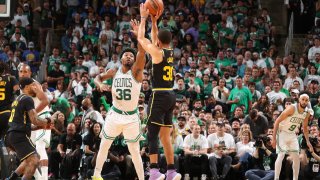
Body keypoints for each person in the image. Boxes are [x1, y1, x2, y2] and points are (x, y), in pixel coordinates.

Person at [92, 19, 145, 180]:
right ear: (121, 59)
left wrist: (139, 37)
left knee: (134, 150)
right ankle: (96, 174)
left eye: (131, 56)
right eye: (126, 55)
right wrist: (100, 84)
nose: (129, 57)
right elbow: (97, 78)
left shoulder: (136, 72)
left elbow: (141, 53)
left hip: (131, 116)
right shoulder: (114, 71)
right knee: (104, 144)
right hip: (115, 113)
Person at [137, 3, 181, 180]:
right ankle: (171, 171)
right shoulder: (169, 50)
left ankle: (154, 171)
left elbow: (142, 38)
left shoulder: (156, 52)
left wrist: (143, 18)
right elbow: (155, 39)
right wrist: (154, 22)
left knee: (152, 133)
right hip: (171, 95)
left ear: (159, 42)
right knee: (165, 136)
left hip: (160, 94)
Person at [5, 77, 55, 180]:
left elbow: (29, 124)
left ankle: (11, 178)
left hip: (13, 135)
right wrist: (48, 121)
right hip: (19, 135)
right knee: (35, 159)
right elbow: (35, 119)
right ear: (28, 87)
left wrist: (41, 126)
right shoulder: (27, 99)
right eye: (33, 85)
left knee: (28, 160)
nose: (36, 87)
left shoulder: (17, 100)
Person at [18, 63, 51, 180]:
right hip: (32, 119)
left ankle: (44, 178)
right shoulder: (21, 87)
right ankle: (38, 177)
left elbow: (45, 101)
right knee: (30, 153)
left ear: (30, 73)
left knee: (40, 146)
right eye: (21, 71)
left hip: (42, 116)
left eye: (25, 71)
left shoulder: (33, 85)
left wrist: (32, 113)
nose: (23, 74)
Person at [272, 94, 314, 180]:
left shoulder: (306, 112)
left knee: (296, 157)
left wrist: (308, 142)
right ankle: (276, 178)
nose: (304, 102)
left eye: (306, 100)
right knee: (281, 155)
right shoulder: (291, 108)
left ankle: (295, 178)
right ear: (299, 99)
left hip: (292, 134)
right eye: (303, 99)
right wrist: (273, 138)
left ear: (308, 101)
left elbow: (305, 128)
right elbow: (277, 121)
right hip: (281, 132)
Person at [0, 62, 19, 139]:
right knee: (7, 139)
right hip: (6, 113)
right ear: (5, 70)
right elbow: (18, 92)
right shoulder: (11, 78)